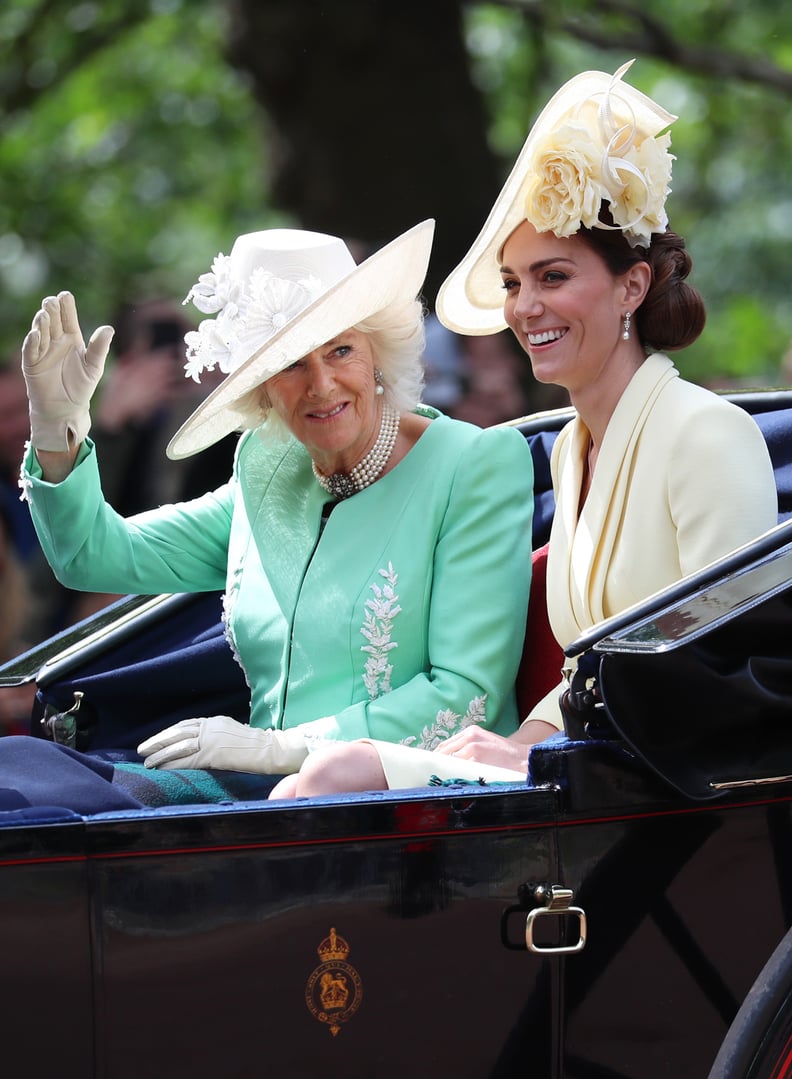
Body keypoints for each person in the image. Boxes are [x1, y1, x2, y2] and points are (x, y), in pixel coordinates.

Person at [273, 60, 777, 798]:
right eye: (514, 283)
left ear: (631, 286)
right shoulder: (569, 450)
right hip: (580, 766)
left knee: (333, 777)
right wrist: (520, 742)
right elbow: (584, 668)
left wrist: (536, 753)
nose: (524, 307)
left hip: (665, 790)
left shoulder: (708, 434)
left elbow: (720, 678)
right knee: (312, 782)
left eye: (553, 277)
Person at [0, 219, 534, 812]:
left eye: (341, 349)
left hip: (399, 805)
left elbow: (467, 697)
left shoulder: (474, 464)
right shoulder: (271, 468)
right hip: (258, 798)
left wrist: (282, 748)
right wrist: (57, 431)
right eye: (289, 364)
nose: (322, 385)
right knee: (23, 778)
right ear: (258, 388)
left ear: (378, 351)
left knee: (62, 805)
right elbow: (94, 555)